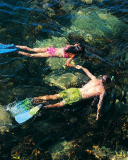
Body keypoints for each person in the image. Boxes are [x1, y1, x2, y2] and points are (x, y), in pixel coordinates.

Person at [33, 65, 112, 120]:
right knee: (58, 105)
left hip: (74, 90)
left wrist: (81, 67)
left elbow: (86, 70)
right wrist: (98, 114)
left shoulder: (94, 78)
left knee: (54, 96)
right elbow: (100, 103)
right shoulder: (102, 91)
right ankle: (44, 107)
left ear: (100, 77)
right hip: (77, 97)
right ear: (106, 83)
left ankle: (36, 98)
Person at [16, 43, 85, 68]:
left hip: (51, 49)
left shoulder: (70, 46)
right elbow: (66, 64)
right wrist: (75, 66)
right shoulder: (72, 55)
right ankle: (17, 51)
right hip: (51, 53)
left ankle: (17, 46)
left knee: (31, 49)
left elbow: (66, 44)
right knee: (31, 55)